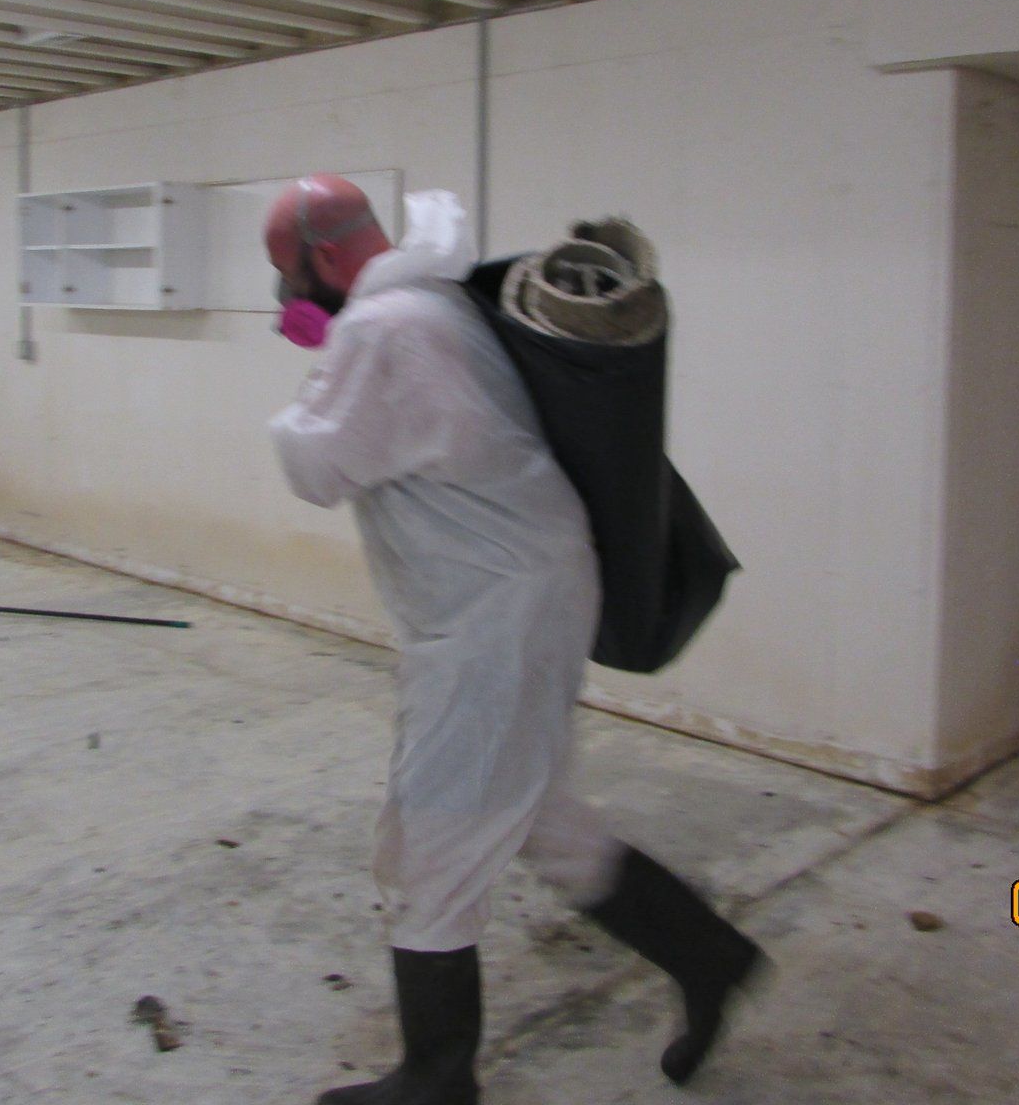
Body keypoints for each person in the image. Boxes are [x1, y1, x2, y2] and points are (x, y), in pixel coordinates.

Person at [265, 175, 767, 1104]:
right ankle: (710, 957)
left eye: (286, 281)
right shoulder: (435, 304)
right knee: (544, 820)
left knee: (435, 831)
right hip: (515, 598)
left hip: (493, 619)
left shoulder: (386, 331)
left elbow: (315, 463)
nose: (287, 302)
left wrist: (311, 369)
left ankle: (437, 1075)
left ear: (325, 258)